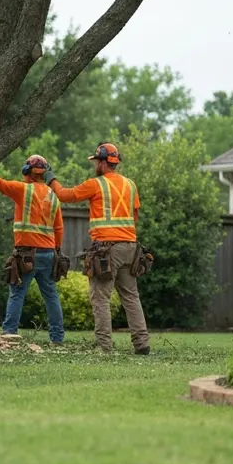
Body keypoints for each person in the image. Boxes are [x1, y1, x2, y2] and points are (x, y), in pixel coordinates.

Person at [48, 142, 150, 354]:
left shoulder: (96, 184)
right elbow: (135, 216)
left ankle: (104, 346)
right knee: (131, 297)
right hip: (131, 248)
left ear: (104, 163)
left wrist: (51, 179)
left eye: (96, 161)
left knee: (100, 297)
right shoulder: (131, 185)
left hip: (107, 249)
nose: (94, 164)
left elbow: (65, 195)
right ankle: (142, 343)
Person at [0, 155, 65, 344]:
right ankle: (57, 337)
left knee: (17, 293)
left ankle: (9, 332)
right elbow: (59, 228)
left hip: (27, 254)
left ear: (27, 171)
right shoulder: (53, 195)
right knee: (51, 296)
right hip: (48, 253)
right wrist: (57, 250)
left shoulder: (23, 190)